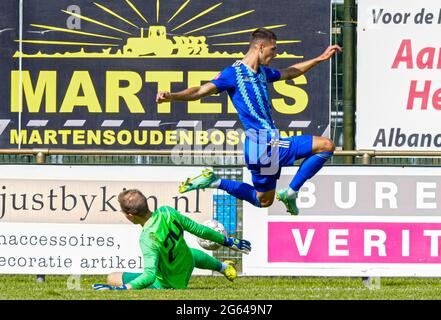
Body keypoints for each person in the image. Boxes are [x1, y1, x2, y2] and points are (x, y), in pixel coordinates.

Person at [156, 28, 342, 215]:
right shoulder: (233, 73)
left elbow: (289, 72)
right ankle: (291, 192)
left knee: (264, 200)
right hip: (265, 143)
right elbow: (199, 91)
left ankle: (215, 181)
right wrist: (172, 96)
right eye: (273, 49)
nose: (275, 54)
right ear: (261, 47)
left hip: (256, 147)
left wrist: (319, 59)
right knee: (326, 145)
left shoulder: (262, 72)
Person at [92, 189, 251, 290]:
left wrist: (122, 289)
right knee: (186, 251)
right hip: (187, 263)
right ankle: (223, 267)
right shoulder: (167, 211)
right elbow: (199, 230)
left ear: (130, 215)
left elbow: (149, 276)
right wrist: (228, 241)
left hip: (171, 284)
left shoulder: (147, 237)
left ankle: (223, 267)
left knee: (112, 277)